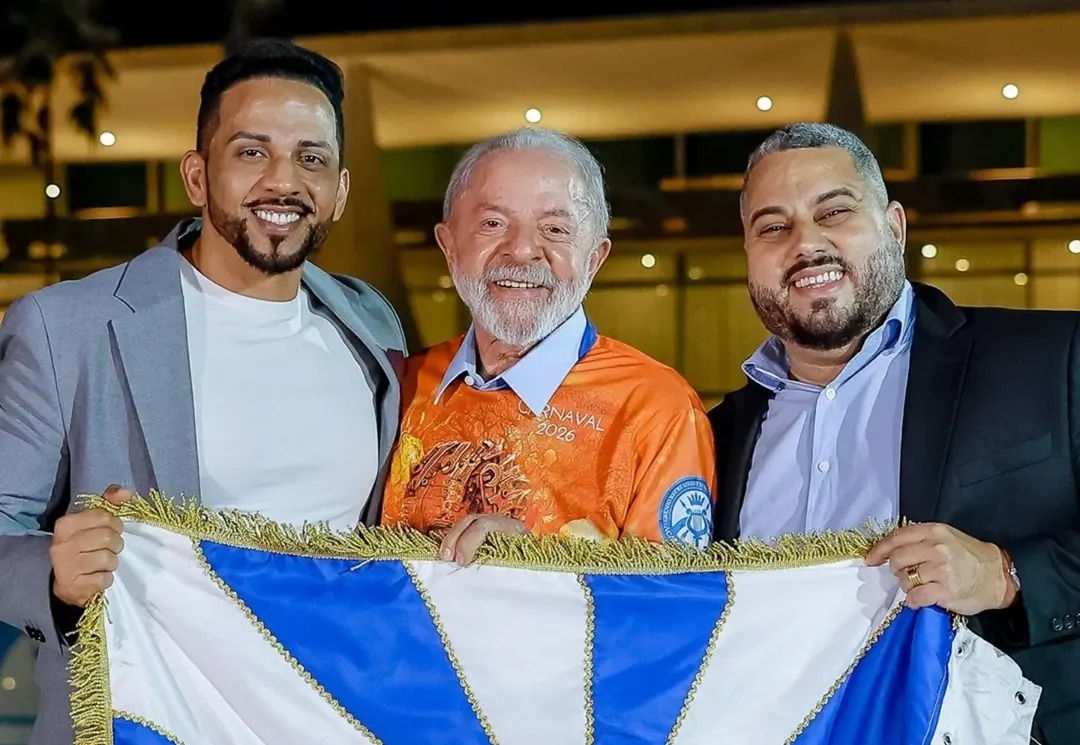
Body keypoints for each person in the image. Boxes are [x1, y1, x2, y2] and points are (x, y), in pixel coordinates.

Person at [0, 39, 406, 744]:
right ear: (197, 174)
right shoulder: (67, 327)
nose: (283, 182)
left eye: (311, 158)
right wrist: (55, 576)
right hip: (146, 723)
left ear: (340, 190)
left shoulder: (370, 325)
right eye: (252, 151)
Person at [709, 121, 1080, 743]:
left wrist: (1004, 575)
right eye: (772, 227)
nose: (806, 243)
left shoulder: (1050, 359)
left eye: (834, 211)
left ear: (895, 226)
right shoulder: (714, 436)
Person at [381, 127, 715, 564]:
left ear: (594, 259)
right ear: (449, 247)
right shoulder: (402, 385)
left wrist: (533, 563)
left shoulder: (655, 409)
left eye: (555, 228)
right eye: (492, 224)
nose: (521, 250)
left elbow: (673, 595)